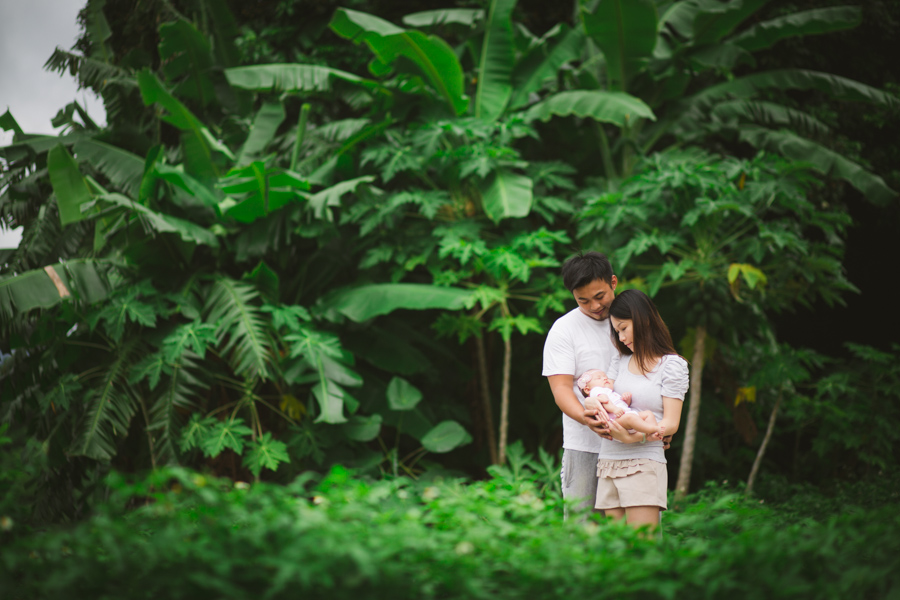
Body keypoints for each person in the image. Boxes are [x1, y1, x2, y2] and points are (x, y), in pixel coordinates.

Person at [586, 289, 688, 532]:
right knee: (617, 550)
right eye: (616, 332)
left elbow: (671, 423)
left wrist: (637, 436)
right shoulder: (618, 362)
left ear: (643, 319)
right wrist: (590, 402)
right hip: (609, 461)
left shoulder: (672, 365)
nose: (620, 338)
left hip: (643, 461)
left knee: (642, 548)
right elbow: (601, 396)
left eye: (623, 328)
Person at [542, 252, 619, 517]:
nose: (594, 306)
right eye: (583, 300)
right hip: (585, 445)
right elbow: (561, 388)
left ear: (613, 282)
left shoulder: (634, 319)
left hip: (637, 442)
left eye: (600, 297)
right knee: (582, 526)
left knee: (637, 529)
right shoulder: (564, 329)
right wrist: (586, 418)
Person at [576, 369, 665, 440]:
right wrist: (614, 409)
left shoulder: (610, 392)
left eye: (605, 376)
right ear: (587, 389)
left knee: (647, 414)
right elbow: (605, 402)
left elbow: (623, 406)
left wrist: (626, 401)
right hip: (615, 420)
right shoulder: (596, 391)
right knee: (631, 418)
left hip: (624, 416)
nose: (605, 378)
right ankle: (654, 429)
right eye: (599, 378)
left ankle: (650, 435)